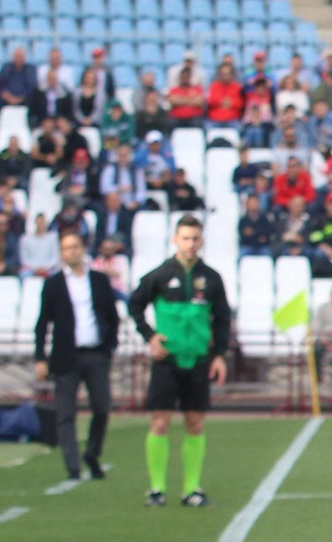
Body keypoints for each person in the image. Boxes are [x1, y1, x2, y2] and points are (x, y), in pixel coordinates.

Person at [128, 216, 230, 508]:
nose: (190, 244)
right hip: (167, 359)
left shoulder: (211, 278)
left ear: (201, 241)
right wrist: (149, 336)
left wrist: (220, 354)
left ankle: (191, 489)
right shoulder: (160, 275)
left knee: (195, 423)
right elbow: (134, 304)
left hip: (198, 358)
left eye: (195, 238)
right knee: (160, 421)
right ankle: (157, 488)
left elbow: (222, 318)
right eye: (185, 238)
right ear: (175, 239)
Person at [34, 231, 121, 482]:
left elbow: (112, 318)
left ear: (82, 249)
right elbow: (43, 323)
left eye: (74, 246)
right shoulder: (54, 284)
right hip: (66, 356)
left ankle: (92, 453)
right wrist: (40, 357)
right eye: (66, 248)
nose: (71, 251)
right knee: (65, 413)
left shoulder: (98, 281)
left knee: (102, 407)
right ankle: (73, 467)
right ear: (61, 253)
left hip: (96, 354)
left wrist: (109, 348)